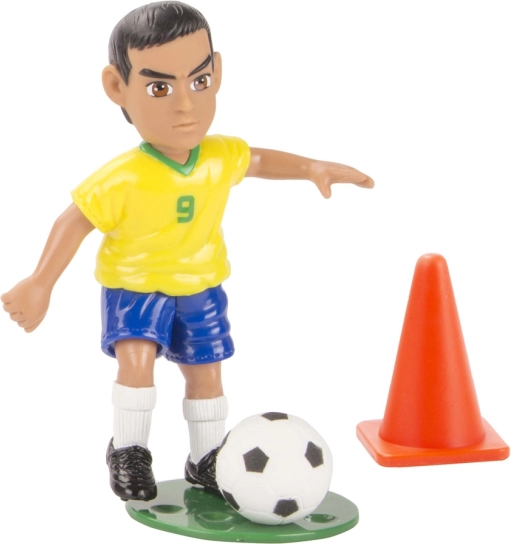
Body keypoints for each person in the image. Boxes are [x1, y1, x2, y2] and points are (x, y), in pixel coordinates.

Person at [1, 1, 373, 502]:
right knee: (136, 364)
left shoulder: (217, 156)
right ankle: (129, 449)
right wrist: (40, 282)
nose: (185, 105)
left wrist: (311, 168)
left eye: (198, 81)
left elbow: (258, 160)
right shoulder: (124, 176)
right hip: (135, 287)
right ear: (117, 88)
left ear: (217, 73)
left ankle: (206, 458)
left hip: (201, 286)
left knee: (207, 373)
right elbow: (74, 221)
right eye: (159, 88)